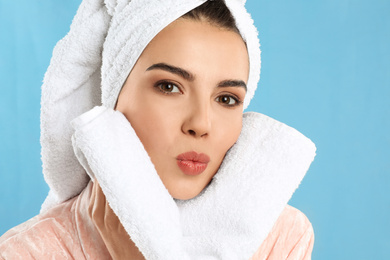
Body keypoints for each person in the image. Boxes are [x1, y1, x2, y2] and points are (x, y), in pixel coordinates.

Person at [0, 0, 316, 259]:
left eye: (226, 98)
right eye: (169, 86)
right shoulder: (31, 251)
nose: (200, 124)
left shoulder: (281, 236)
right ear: (113, 95)